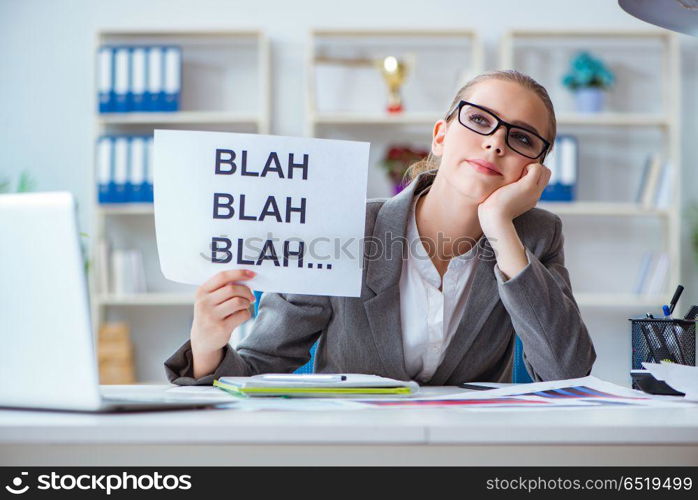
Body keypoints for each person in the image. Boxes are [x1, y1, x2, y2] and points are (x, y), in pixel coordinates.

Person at [165, 69, 596, 386]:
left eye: (522, 138)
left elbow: (567, 371)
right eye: (480, 120)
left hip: (463, 458)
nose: (496, 142)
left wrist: (501, 227)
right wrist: (206, 344)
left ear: (535, 169)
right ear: (441, 136)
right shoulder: (344, 226)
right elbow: (257, 370)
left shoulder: (536, 236)